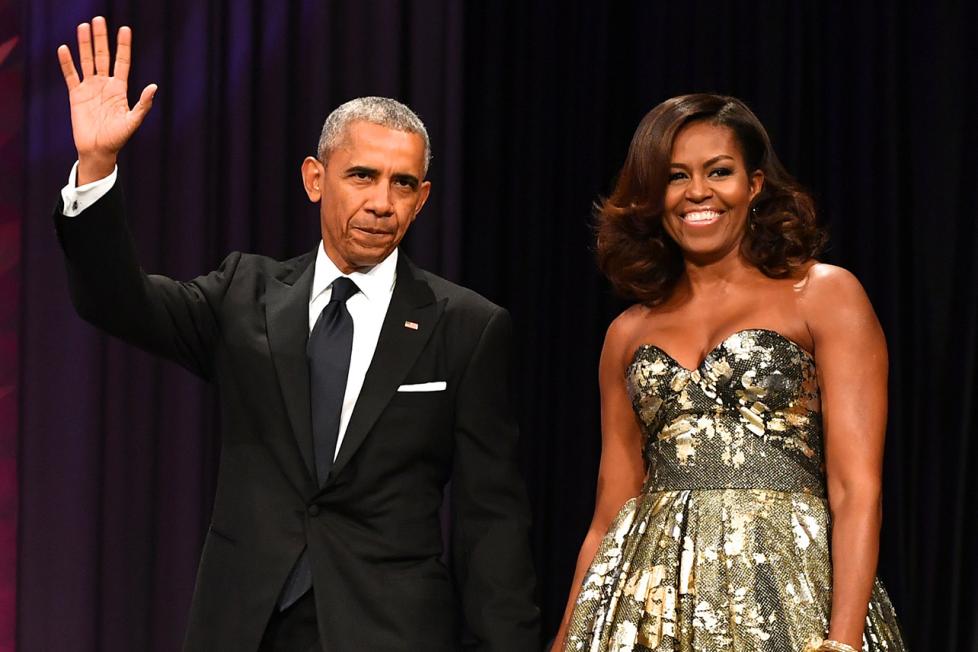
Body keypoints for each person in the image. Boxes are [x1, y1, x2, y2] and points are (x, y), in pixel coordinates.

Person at [54, 17, 539, 652]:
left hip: (388, 631)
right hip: (245, 625)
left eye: (402, 185)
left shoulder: (467, 326)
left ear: (421, 200)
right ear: (316, 179)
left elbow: (491, 523)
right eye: (361, 176)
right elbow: (117, 303)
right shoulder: (244, 294)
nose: (381, 202)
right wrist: (96, 166)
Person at [553, 94, 906, 652]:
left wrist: (843, 643)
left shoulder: (823, 294)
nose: (698, 192)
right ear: (654, 195)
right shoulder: (627, 332)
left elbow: (856, 487)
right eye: (675, 177)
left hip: (787, 598)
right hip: (647, 606)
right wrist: (565, 638)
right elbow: (610, 510)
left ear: (756, 184)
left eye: (719, 172)